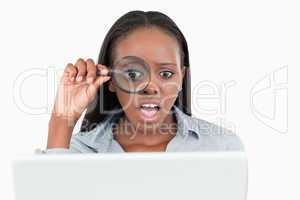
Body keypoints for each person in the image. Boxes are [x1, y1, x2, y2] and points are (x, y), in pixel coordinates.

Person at [38, 10, 244, 154]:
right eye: (133, 75)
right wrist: (61, 121)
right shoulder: (76, 151)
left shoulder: (222, 147)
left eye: (165, 74)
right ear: (110, 80)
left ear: (182, 77)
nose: (150, 87)